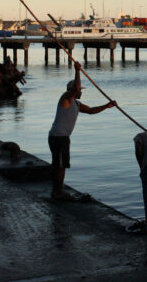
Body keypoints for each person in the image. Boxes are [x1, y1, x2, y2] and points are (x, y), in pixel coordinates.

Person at [48, 61, 116, 200]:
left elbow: (91, 110)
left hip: (63, 137)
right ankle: (57, 192)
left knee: (62, 165)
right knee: (60, 166)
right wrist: (77, 70)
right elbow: (75, 89)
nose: (81, 92)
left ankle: (58, 191)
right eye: (79, 90)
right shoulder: (65, 99)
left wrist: (107, 106)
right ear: (73, 90)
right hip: (58, 137)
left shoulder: (76, 104)